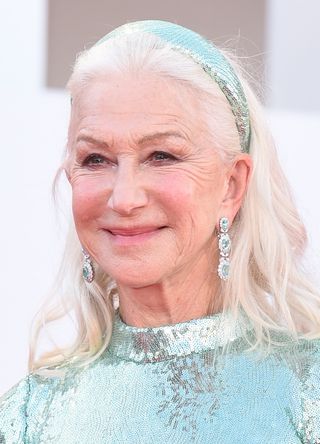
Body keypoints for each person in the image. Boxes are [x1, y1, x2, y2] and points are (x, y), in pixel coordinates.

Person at [1, 19, 320, 443]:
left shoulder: (306, 392)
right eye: (96, 159)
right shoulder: (28, 417)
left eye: (162, 155)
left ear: (232, 185)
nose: (124, 198)